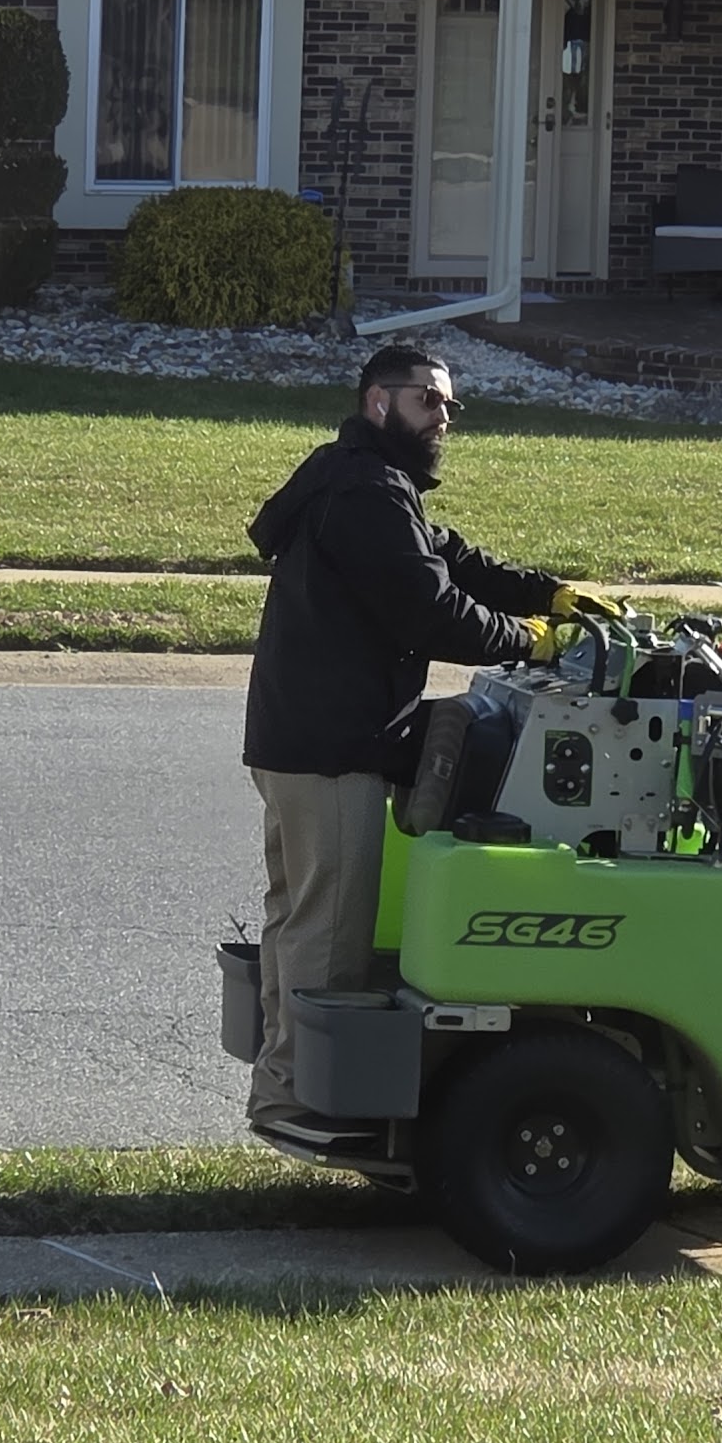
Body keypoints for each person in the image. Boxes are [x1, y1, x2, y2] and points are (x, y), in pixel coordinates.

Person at [240, 343, 619, 1137]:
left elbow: (449, 558)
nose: (444, 416)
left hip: (297, 740)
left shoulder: (362, 478)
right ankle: (299, 1102)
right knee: (328, 932)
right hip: (332, 751)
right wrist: (533, 641)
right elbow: (431, 609)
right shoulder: (368, 492)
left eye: (449, 404)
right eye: (429, 401)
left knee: (294, 921)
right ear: (380, 402)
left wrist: (551, 592)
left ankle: (282, 1089)